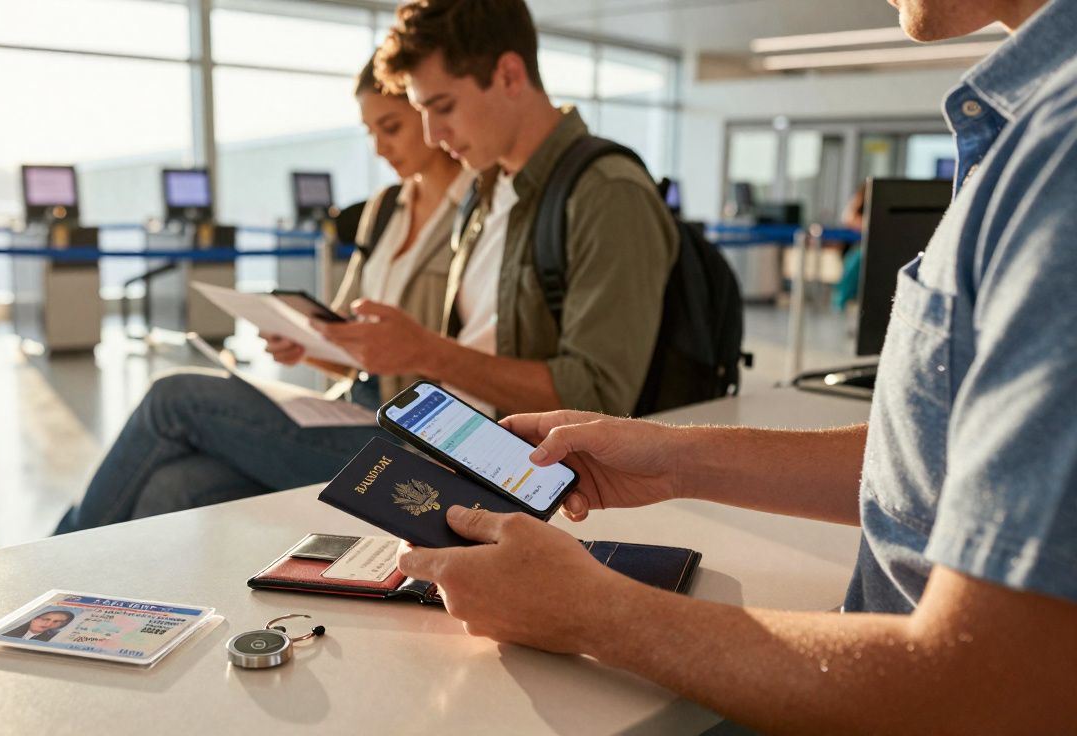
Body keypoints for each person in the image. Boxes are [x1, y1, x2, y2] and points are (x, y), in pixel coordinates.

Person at [396, 0, 1077, 731]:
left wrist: (592, 613)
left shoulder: (1060, 157)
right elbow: (945, 471)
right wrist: (677, 459)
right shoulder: (1032, 126)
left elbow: (994, 685)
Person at [54, 57, 472, 532]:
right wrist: (308, 344)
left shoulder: (477, 210)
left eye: (392, 127)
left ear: (427, 109)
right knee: (173, 485)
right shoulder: (385, 209)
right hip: (353, 405)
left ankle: (34, 568)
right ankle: (76, 593)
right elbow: (352, 344)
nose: (379, 147)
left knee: (172, 396)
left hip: (409, 435)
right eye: (370, 131)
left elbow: (448, 357)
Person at [317, 0, 676, 419]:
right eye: (422, 112)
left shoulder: (607, 193)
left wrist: (429, 353)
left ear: (509, 75)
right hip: (445, 438)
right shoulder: (484, 190)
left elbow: (598, 398)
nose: (433, 135)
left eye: (444, 106)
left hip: (517, 469)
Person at [2, 610, 74, 642]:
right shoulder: (8, 628)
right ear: (33, 617)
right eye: (45, 619)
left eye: (56, 622)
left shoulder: (56, 638)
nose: (48, 624)